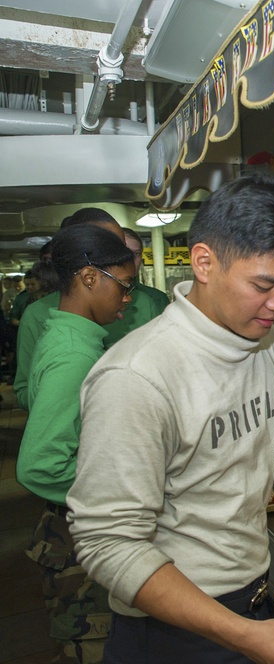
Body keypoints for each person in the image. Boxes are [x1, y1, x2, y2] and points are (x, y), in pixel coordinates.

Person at [67, 176, 274, 664]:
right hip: (174, 629)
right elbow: (108, 543)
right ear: (204, 263)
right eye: (263, 286)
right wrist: (241, 635)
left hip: (254, 601)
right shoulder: (137, 376)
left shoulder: (265, 344)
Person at [16, 224, 136, 663]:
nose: (128, 299)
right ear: (88, 278)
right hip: (80, 541)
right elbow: (40, 464)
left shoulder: (71, 336)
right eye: (124, 286)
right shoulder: (73, 355)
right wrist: (120, 491)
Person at [13, 208, 164, 410]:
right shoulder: (59, 336)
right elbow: (29, 393)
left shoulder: (145, 303)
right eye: (105, 244)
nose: (120, 254)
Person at [122, 227, 171, 310]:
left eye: (136, 253)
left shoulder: (158, 299)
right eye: (125, 252)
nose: (131, 259)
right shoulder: (100, 298)